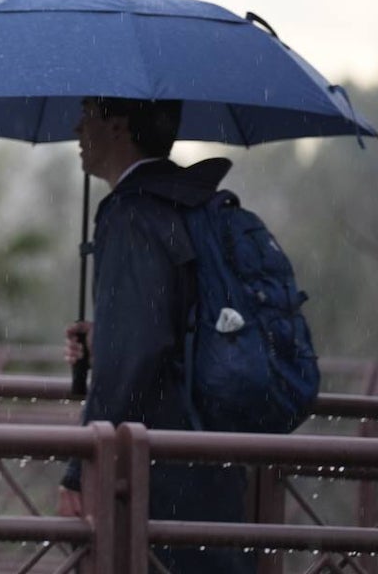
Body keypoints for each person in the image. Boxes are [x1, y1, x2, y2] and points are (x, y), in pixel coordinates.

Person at [58, 97, 254, 574]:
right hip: (212, 454)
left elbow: (135, 356)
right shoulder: (188, 199)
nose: (77, 126)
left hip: (155, 474)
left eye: (88, 113)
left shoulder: (132, 214)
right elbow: (171, 322)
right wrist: (107, 334)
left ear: (119, 124)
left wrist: (77, 469)